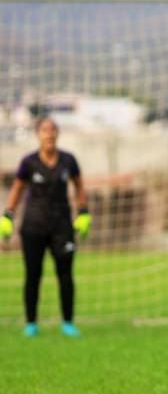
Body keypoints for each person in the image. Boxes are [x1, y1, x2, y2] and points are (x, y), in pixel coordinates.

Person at [0, 118, 90, 337]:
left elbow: (79, 185)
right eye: (44, 130)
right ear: (37, 134)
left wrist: (84, 211)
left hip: (62, 227)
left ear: (58, 133)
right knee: (33, 275)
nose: (49, 134)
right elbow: (18, 188)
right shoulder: (29, 162)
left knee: (66, 275)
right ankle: (31, 323)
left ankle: (68, 323)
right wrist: (7, 216)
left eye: (52, 130)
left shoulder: (68, 160)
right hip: (33, 227)